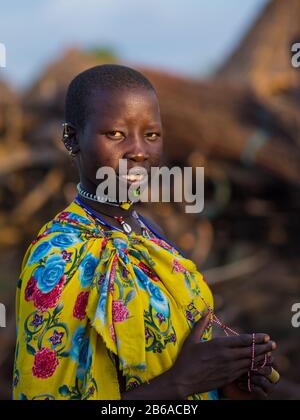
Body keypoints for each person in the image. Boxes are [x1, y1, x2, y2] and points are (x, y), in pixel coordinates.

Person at [13, 64, 278, 400]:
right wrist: (179, 383)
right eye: (116, 134)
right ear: (71, 138)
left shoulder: (149, 233)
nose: (139, 151)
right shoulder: (56, 260)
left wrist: (225, 378)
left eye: (151, 135)